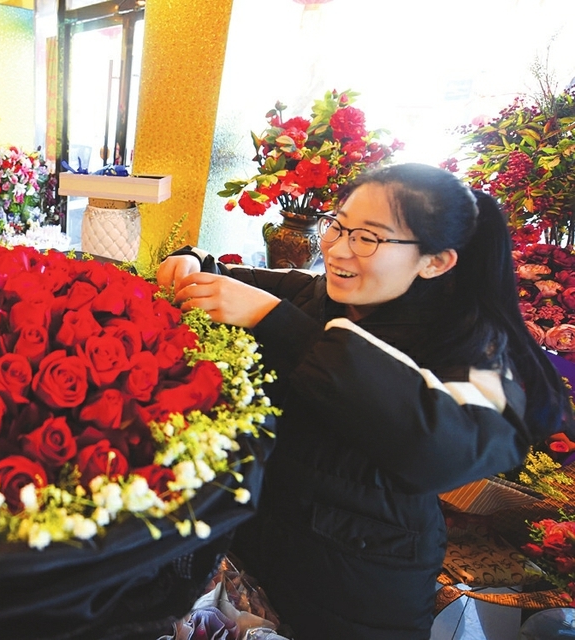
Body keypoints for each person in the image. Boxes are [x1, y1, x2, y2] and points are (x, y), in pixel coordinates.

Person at [156, 163, 573, 639]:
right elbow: (218, 274)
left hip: (359, 586)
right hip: (259, 555)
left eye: (368, 238)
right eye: (338, 224)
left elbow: (444, 448)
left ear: (436, 260)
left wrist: (283, 326)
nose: (337, 248)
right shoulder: (319, 295)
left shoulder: (478, 346)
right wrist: (189, 263)